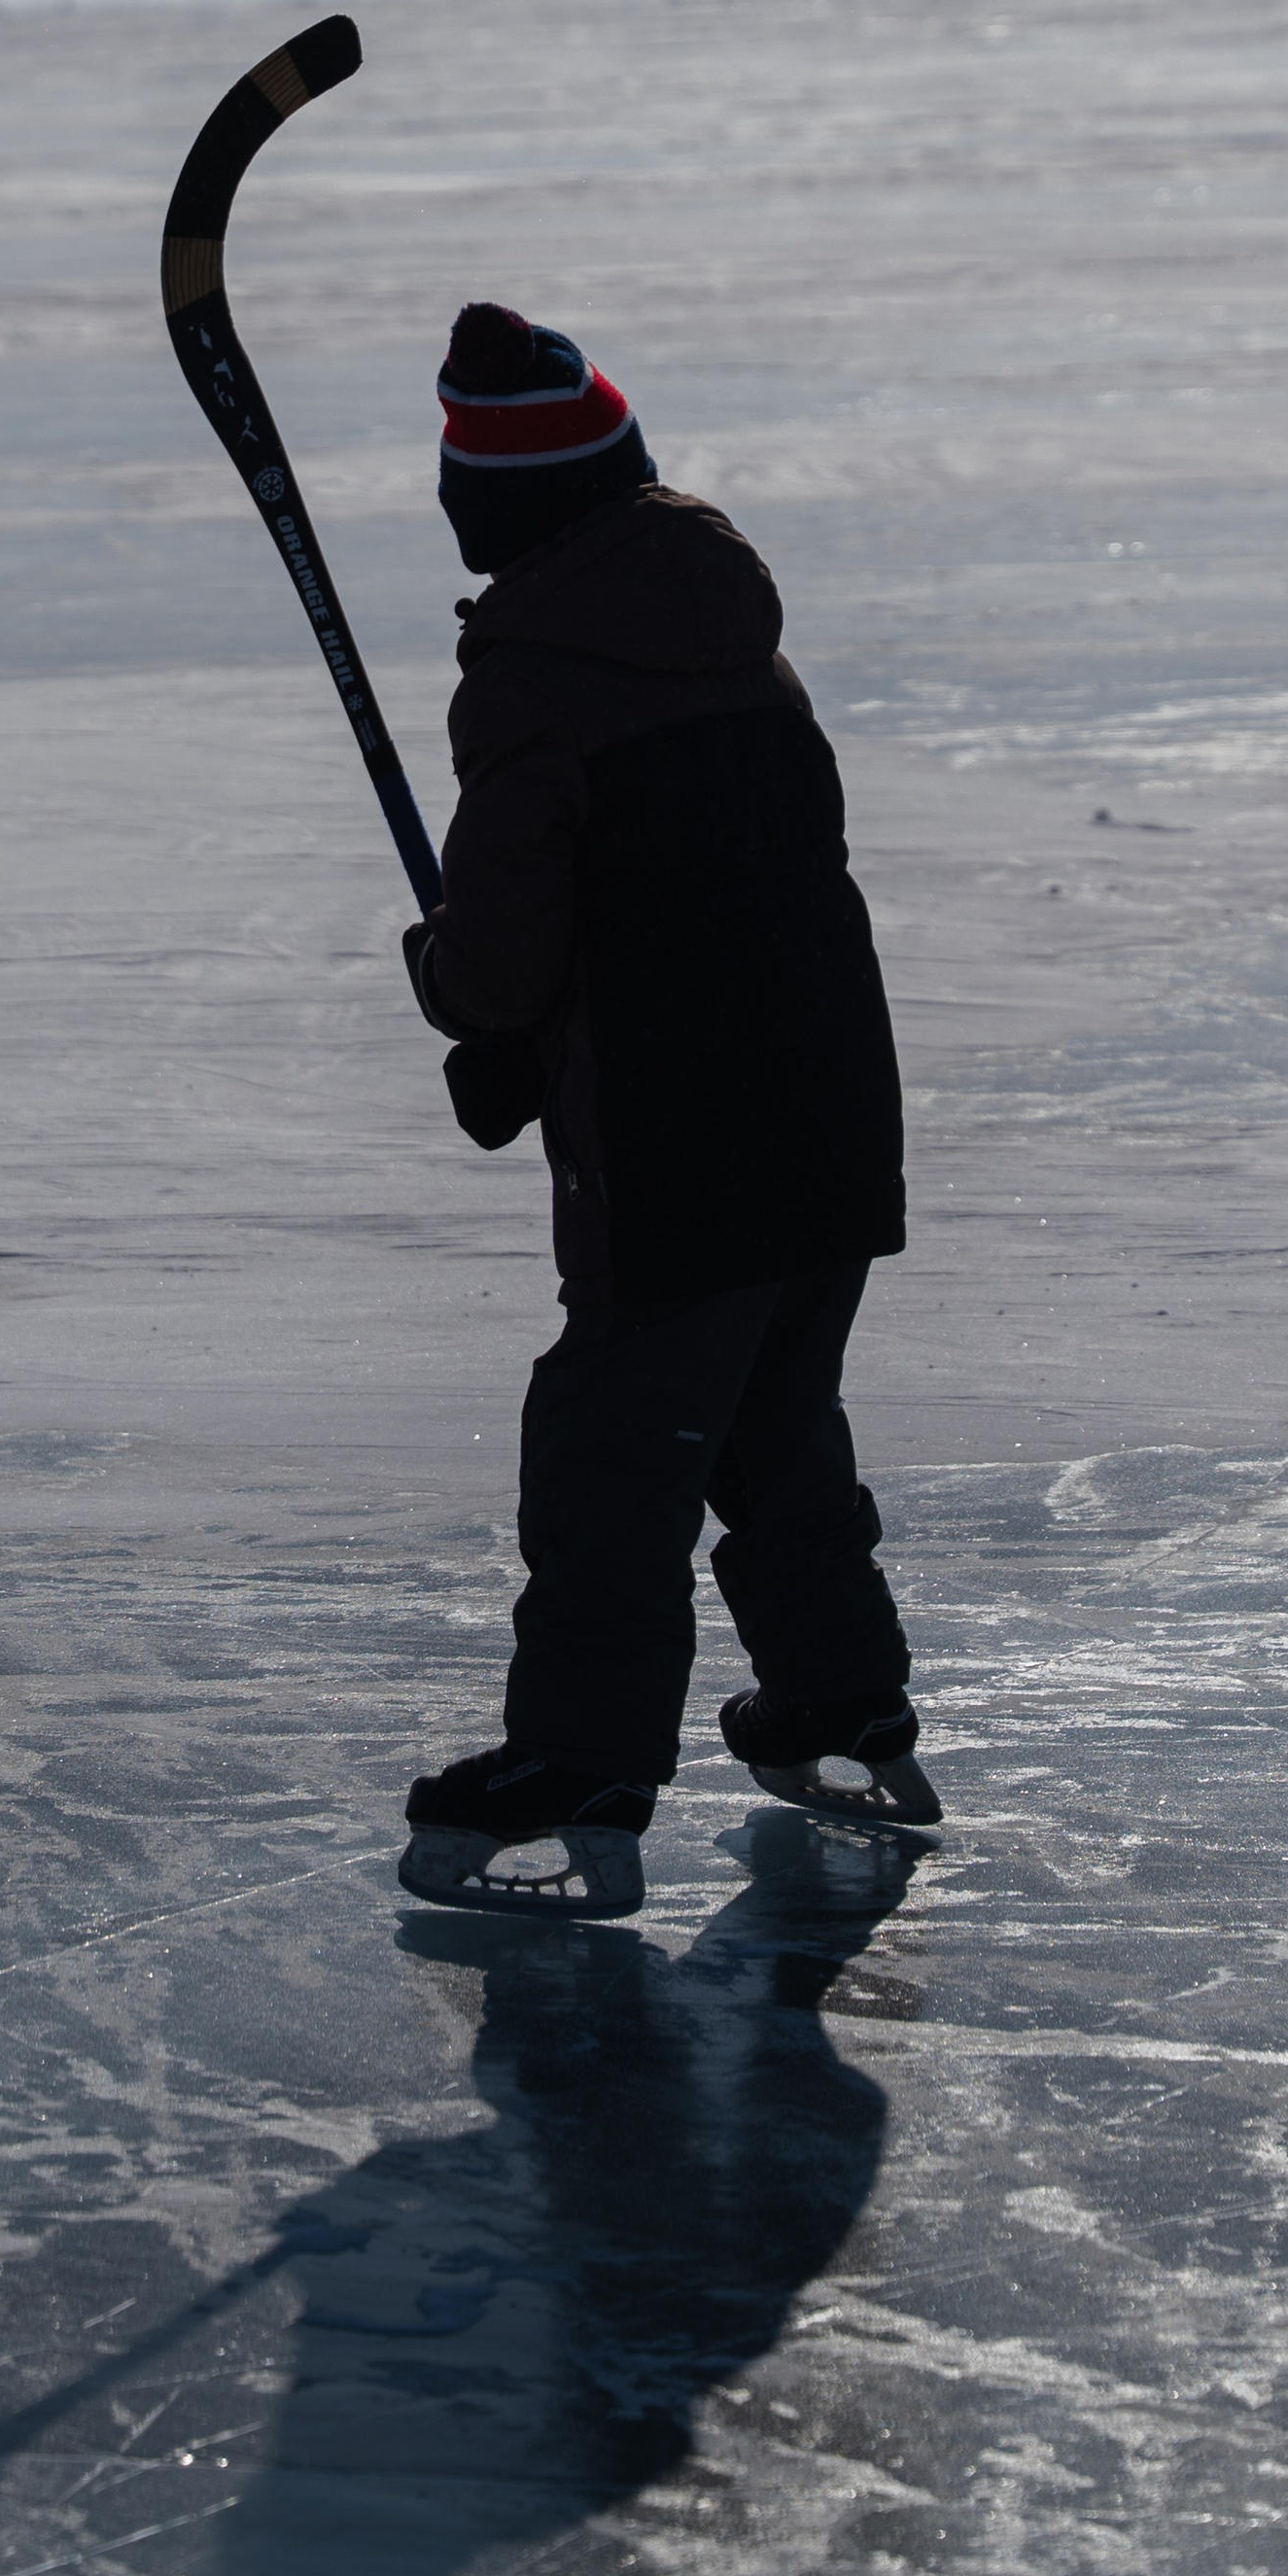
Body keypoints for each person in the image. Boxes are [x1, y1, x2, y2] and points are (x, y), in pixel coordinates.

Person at [397, 300, 938, 1918]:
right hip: (829, 1109)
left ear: (487, 510)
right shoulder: (736, 636)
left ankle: (582, 1767)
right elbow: (698, 895)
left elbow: (501, 954)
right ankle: (840, 1704)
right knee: (773, 1424)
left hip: (680, 1135)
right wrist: (530, 1024)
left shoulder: (534, 679)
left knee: (608, 1449)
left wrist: (462, 992)